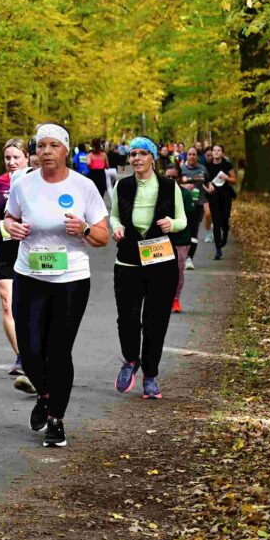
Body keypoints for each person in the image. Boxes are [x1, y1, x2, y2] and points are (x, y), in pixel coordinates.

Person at [4, 124, 109, 447]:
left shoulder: (83, 186)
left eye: (53, 145)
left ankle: (56, 420)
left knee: (59, 351)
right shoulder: (23, 184)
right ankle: (45, 394)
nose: (46, 151)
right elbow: (9, 217)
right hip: (29, 275)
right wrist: (12, 228)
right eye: (41, 145)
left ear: (66, 150)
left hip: (70, 279)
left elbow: (102, 237)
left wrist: (84, 228)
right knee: (30, 351)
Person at [111, 136, 187, 400]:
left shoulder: (169, 186)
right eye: (133, 154)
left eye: (142, 153)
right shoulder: (122, 185)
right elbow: (114, 215)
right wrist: (116, 227)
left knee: (156, 321)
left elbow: (182, 220)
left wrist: (171, 224)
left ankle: (151, 376)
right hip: (128, 261)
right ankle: (131, 360)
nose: (137, 158)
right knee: (127, 318)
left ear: (153, 158)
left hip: (160, 262)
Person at [0, 138, 36, 394]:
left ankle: (33, 356)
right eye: (8, 158)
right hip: (5, 249)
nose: (12, 162)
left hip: (29, 249)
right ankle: (22, 357)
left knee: (28, 306)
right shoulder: (0, 182)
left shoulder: (36, 181)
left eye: (16, 157)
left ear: (27, 157)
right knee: (7, 303)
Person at [165, 165, 194, 313]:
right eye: (168, 176)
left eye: (174, 177)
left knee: (178, 270)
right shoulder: (157, 194)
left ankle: (175, 299)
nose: (171, 179)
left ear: (180, 178)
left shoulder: (186, 195)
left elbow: (189, 217)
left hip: (181, 239)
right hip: (161, 238)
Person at [205, 144, 237, 260]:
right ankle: (218, 249)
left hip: (226, 195)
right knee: (216, 222)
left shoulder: (227, 165)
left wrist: (226, 178)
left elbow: (234, 180)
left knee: (225, 218)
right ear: (212, 152)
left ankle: (226, 231)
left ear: (222, 153)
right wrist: (209, 185)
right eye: (214, 150)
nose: (216, 152)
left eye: (219, 150)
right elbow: (205, 180)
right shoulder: (208, 166)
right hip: (214, 196)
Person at [180, 147, 209, 269]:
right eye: (189, 154)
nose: (191, 156)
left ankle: (189, 258)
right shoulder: (181, 169)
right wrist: (184, 186)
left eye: (194, 154)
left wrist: (210, 189)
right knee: (183, 230)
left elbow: (207, 183)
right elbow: (174, 183)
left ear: (197, 156)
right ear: (186, 156)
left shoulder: (203, 169)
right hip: (183, 204)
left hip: (198, 203)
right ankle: (180, 255)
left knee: (194, 231)